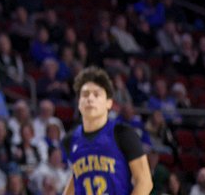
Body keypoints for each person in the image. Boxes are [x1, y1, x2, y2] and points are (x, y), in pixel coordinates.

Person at [63, 67, 150, 195]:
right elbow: (77, 176)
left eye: (96, 94)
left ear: (109, 103)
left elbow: (144, 182)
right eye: (85, 94)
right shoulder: (70, 140)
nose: (90, 99)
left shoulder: (123, 133)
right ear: (79, 103)